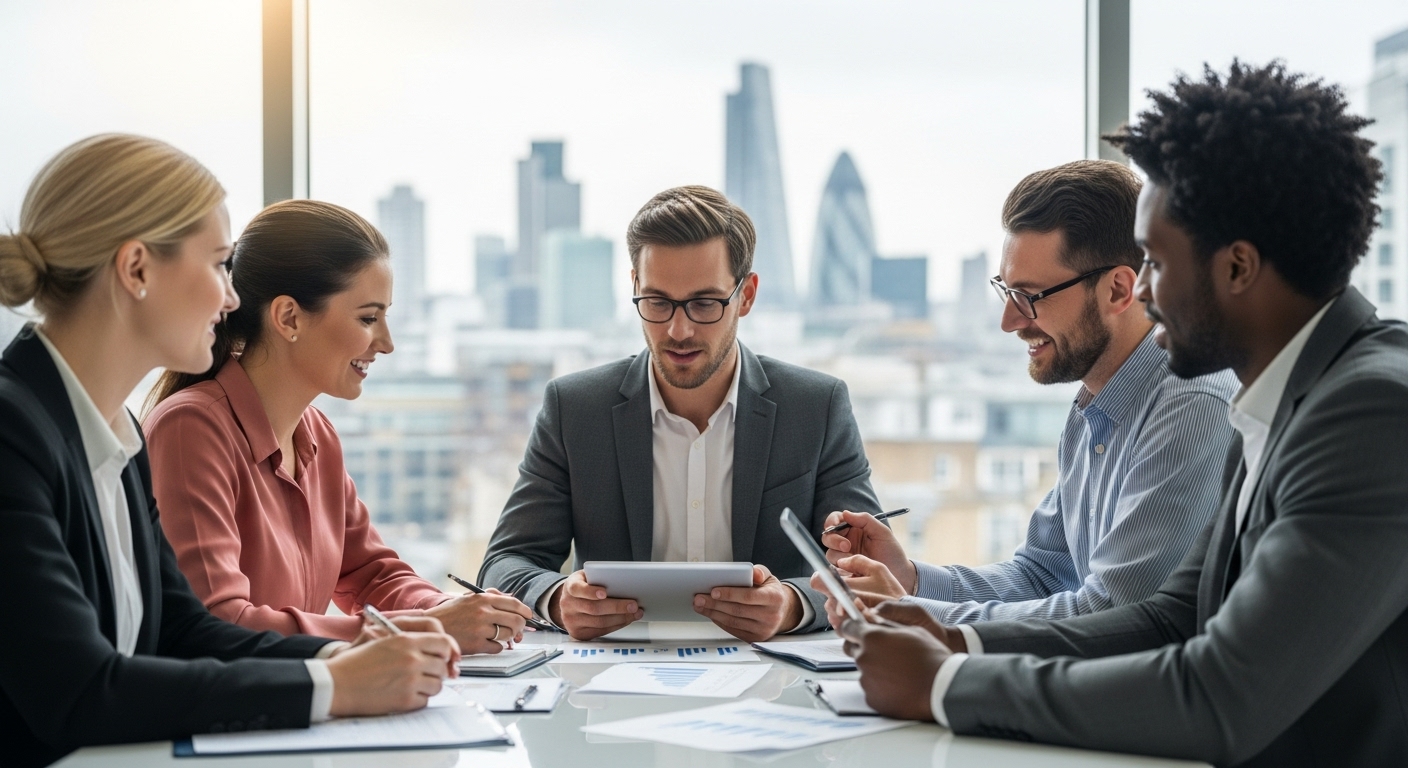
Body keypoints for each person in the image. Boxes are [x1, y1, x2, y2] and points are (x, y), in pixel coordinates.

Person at [841, 61, 1407, 768]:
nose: (1137, 291)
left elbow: (1220, 695)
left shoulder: (1371, 411)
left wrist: (947, 682)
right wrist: (955, 639)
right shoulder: (1277, 400)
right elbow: (1169, 615)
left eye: (1156, 266)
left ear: (1236, 269)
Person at [0, 134, 461, 768]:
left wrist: (354, 658)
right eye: (218, 265)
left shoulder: (115, 436)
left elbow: (184, 632)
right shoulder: (13, 431)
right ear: (136, 270)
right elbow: (79, 690)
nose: (231, 297)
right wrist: (337, 684)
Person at [818, 161, 1236, 628]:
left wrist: (913, 614)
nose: (1010, 321)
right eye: (1007, 292)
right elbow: (1042, 575)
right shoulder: (1093, 410)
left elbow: (1112, 615)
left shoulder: (1194, 408)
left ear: (1119, 289)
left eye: (1030, 296)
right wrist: (910, 579)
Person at [479, 185, 882, 641]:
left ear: (745, 296)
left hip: (776, 679)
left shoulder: (816, 407)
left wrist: (792, 606)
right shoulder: (575, 409)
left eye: (705, 303)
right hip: (613, 684)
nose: (678, 329)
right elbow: (503, 563)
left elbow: (870, 571)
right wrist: (555, 598)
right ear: (634, 287)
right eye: (657, 302)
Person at [142, 200, 535, 655]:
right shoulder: (191, 429)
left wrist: (455, 610)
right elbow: (219, 622)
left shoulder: (316, 434)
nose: (386, 344)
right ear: (289, 317)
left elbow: (372, 574)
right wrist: (424, 628)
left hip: (296, 705)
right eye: (368, 318)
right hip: (229, 716)